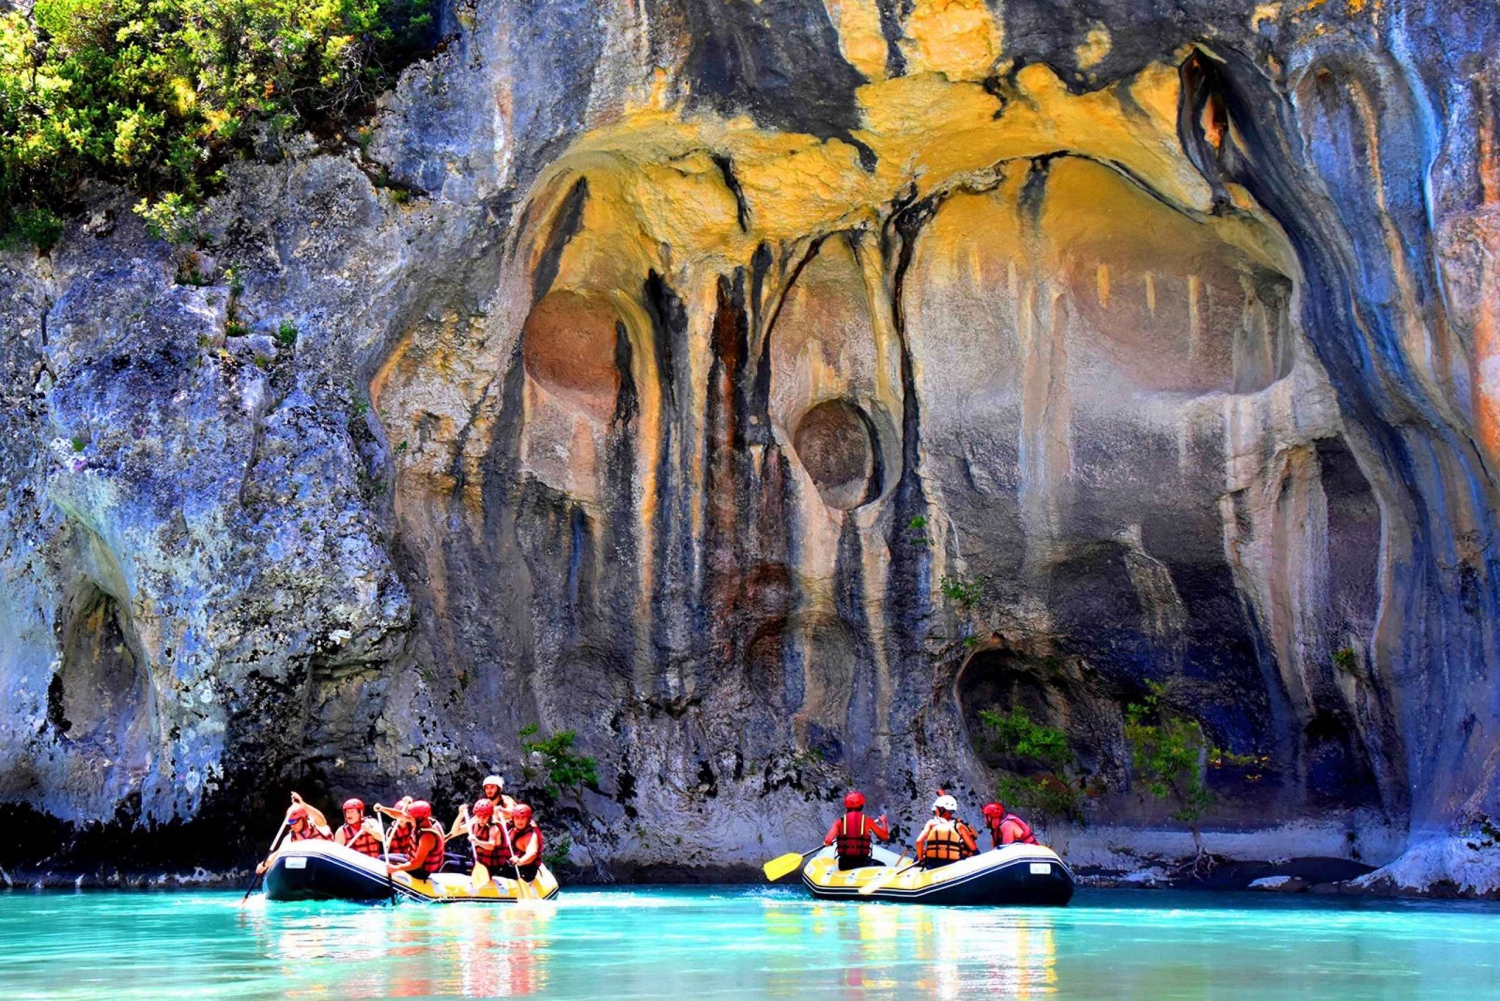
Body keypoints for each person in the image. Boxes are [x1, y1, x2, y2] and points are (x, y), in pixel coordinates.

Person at [823, 790, 892, 870]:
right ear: (861, 805)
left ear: (846, 806)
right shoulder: (868, 821)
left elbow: (827, 840)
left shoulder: (839, 822)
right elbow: (884, 837)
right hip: (862, 862)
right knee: (882, 866)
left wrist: (830, 843)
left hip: (844, 864)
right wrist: (883, 821)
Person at [254, 801, 330, 874]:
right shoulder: (290, 838)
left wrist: (303, 804)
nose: (292, 825)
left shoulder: (319, 827)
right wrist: (264, 865)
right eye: (290, 822)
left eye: (294, 821)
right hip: (307, 872)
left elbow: (321, 819)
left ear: (303, 818)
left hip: (324, 867)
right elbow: (278, 853)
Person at [386, 800, 446, 880]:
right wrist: (382, 809)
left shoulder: (427, 837)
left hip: (421, 871)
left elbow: (417, 863)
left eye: (410, 818)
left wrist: (396, 868)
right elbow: (400, 815)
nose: (408, 820)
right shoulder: (427, 821)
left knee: (383, 861)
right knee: (382, 858)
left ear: (419, 819)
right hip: (411, 858)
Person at [914, 793, 976, 870]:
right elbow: (973, 848)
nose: (935, 811)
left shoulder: (932, 823)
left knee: (919, 856)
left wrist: (921, 859)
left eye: (937, 808)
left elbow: (919, 841)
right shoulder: (959, 826)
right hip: (952, 865)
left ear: (943, 809)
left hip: (932, 865)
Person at [505, 803, 543, 882]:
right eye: (517, 818)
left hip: (525, 870)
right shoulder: (512, 828)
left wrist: (519, 861)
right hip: (512, 865)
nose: (520, 821)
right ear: (513, 819)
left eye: (523, 818)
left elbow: (532, 853)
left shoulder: (530, 835)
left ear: (528, 819)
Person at [467, 799, 505, 875]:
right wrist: (461, 814)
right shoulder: (474, 824)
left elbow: (491, 846)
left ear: (489, 816)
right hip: (477, 863)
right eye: (479, 816)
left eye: (484, 816)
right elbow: (455, 831)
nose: (481, 819)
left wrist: (477, 841)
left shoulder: (493, 828)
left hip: (490, 868)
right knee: (448, 860)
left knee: (449, 865)